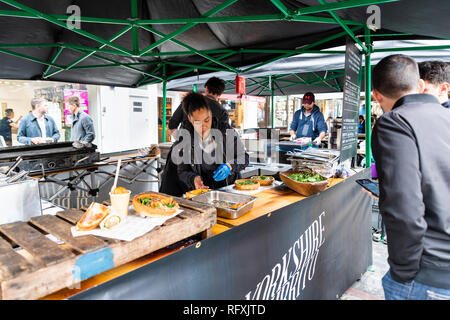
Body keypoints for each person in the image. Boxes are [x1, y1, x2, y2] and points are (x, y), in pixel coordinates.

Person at [370, 54, 450, 300]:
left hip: (427, 274)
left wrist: (403, 270)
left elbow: (404, 206)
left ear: (376, 96)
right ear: (420, 84)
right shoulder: (445, 116)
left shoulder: (394, 122)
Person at [160, 92, 249, 196]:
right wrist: (194, 179)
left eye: (207, 120)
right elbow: (183, 171)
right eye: (198, 122)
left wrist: (229, 166)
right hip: (204, 192)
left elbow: (244, 158)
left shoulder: (225, 130)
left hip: (229, 189)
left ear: (210, 114)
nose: (204, 127)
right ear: (189, 118)